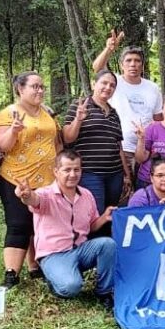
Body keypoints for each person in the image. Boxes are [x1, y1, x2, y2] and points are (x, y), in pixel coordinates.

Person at [14, 149, 116, 308]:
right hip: (54, 254)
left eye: (77, 169)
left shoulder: (87, 195)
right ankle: (54, 279)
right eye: (67, 170)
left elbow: (91, 226)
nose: (73, 174)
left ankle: (104, 291)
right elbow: (33, 200)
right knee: (71, 287)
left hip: (81, 250)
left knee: (108, 244)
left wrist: (104, 218)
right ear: (56, 171)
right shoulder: (46, 194)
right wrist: (26, 195)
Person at [0, 71, 60, 288]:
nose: (40, 90)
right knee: (19, 224)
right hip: (16, 179)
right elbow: (1, 145)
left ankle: (35, 267)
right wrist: (13, 131)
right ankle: (11, 273)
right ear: (20, 89)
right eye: (34, 87)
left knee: (39, 223)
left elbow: (56, 143)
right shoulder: (8, 114)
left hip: (47, 181)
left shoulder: (47, 113)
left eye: (42, 86)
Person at [63, 70, 130, 230]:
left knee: (111, 214)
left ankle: (107, 250)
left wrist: (127, 175)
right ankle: (93, 250)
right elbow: (67, 138)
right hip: (90, 173)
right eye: (104, 83)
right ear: (94, 84)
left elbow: (118, 145)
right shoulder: (79, 106)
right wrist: (79, 119)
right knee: (96, 215)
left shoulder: (114, 113)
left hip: (115, 174)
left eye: (112, 85)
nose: (108, 87)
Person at [92, 30, 162, 177]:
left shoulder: (153, 88)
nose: (133, 64)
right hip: (120, 149)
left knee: (146, 191)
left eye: (137, 61)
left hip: (147, 150)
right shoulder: (114, 83)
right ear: (121, 64)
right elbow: (97, 68)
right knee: (124, 193)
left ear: (142, 65)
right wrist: (109, 49)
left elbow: (158, 119)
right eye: (128, 61)